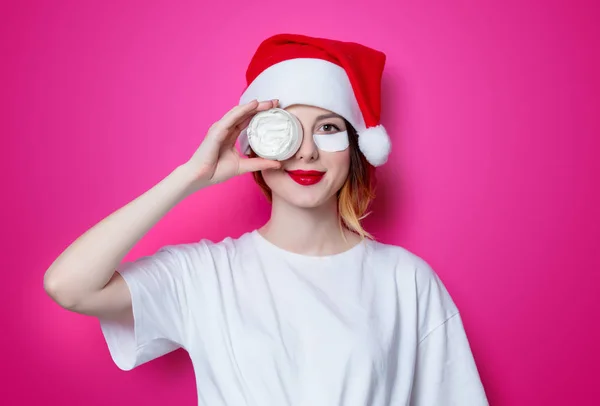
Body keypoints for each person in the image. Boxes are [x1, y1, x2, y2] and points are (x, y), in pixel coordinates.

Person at [43, 33, 489, 405]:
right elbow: (69, 286)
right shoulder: (206, 275)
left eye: (329, 128)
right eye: (287, 129)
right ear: (257, 143)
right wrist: (190, 176)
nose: (307, 151)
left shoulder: (405, 280)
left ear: (355, 147)